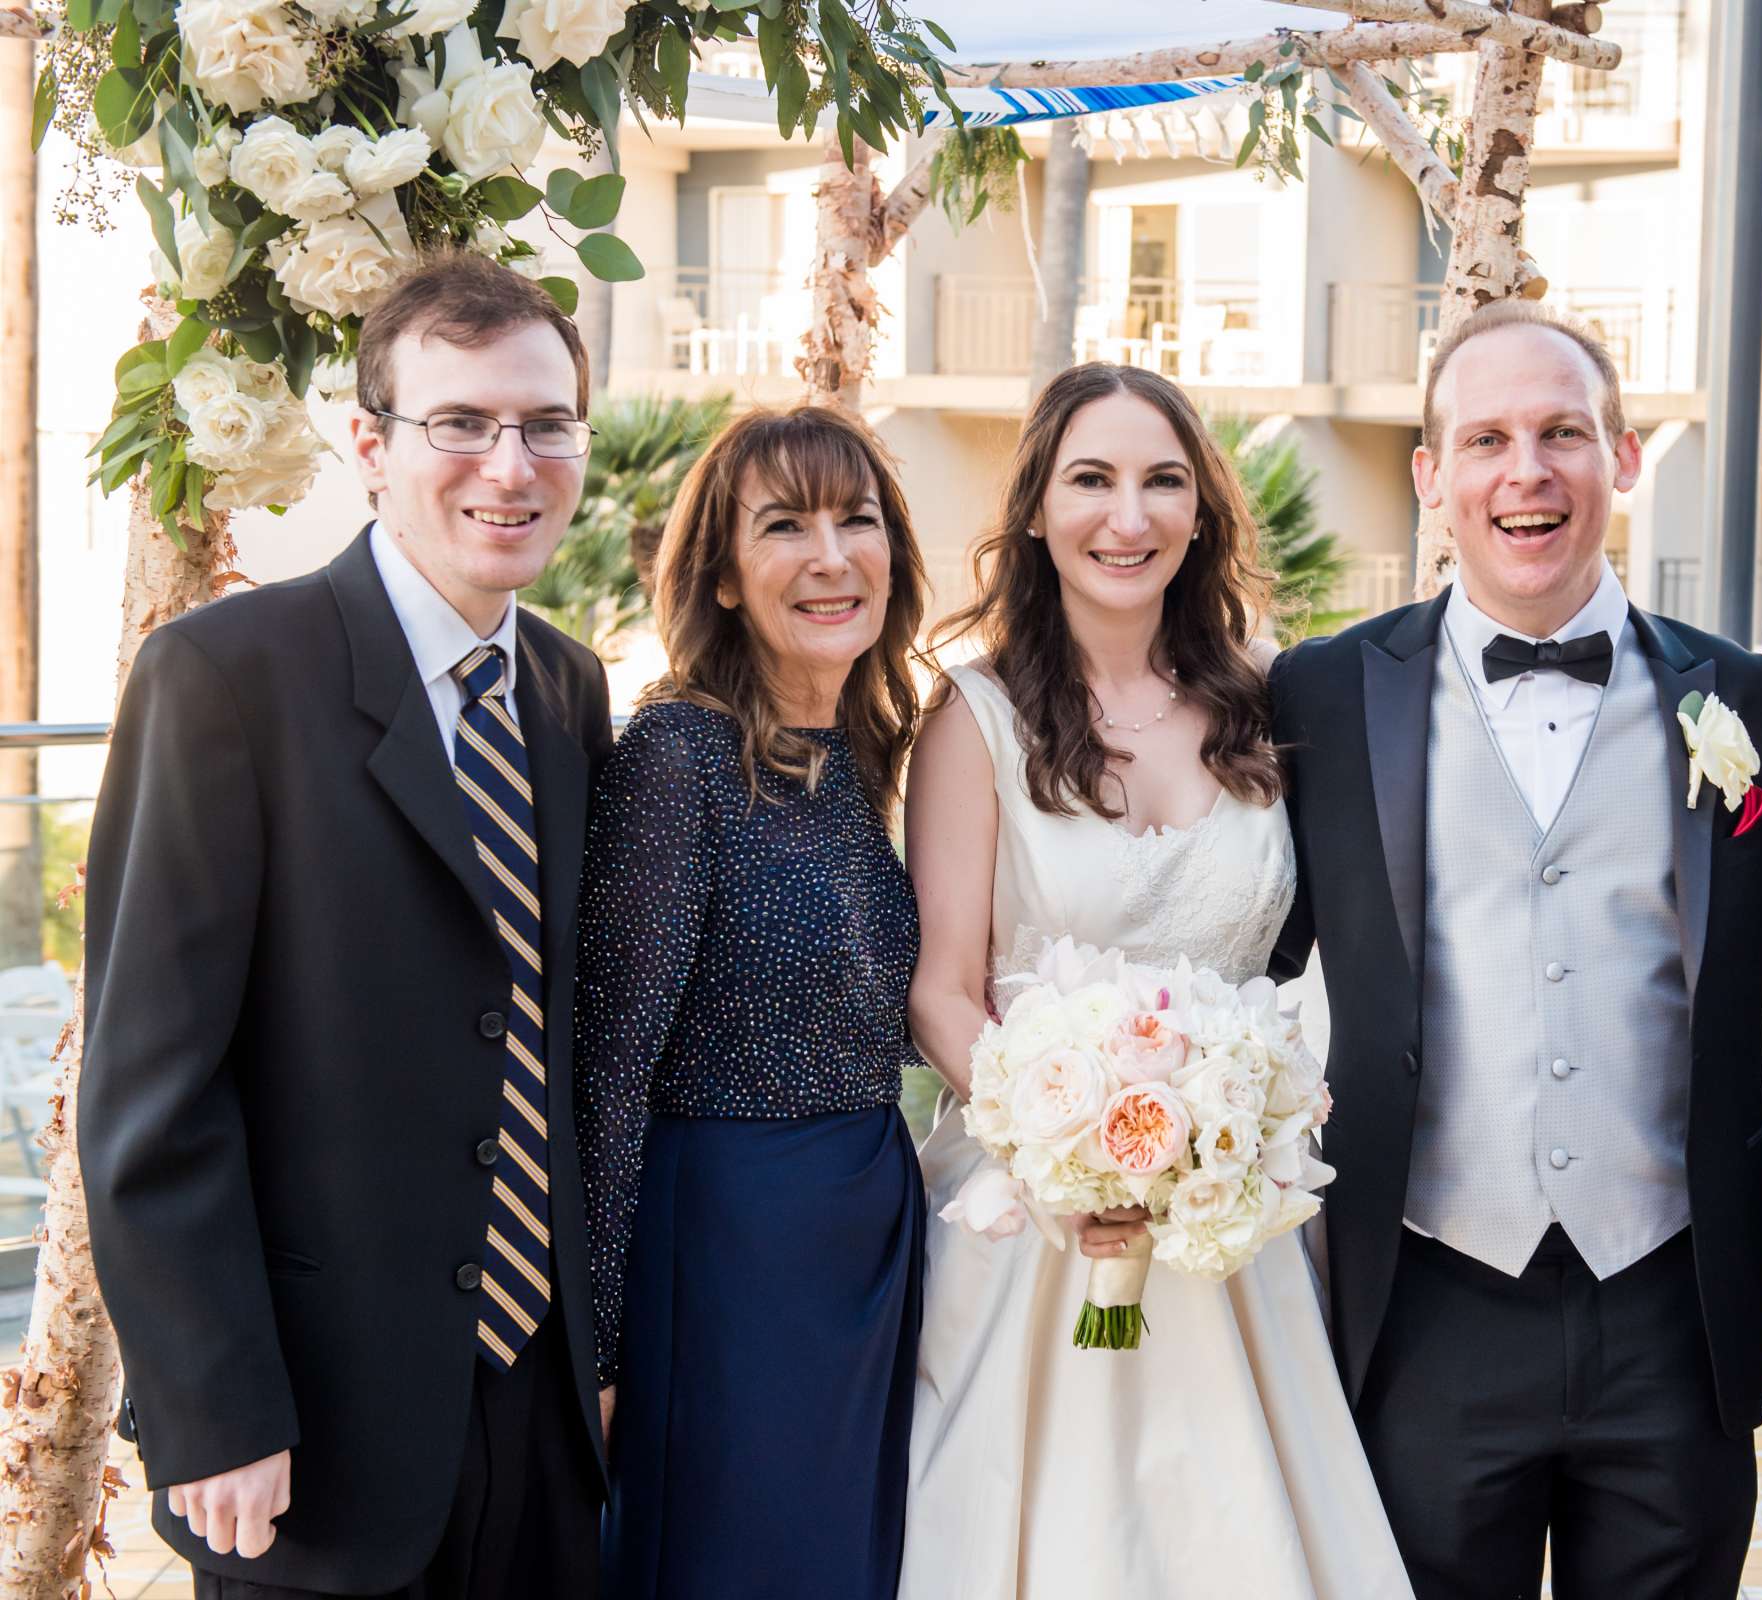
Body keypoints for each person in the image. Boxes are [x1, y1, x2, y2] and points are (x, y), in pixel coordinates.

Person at [79, 252, 614, 1596]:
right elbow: (151, 1089)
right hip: (307, 1433)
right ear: (370, 446)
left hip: (534, 1415)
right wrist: (216, 1408)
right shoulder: (221, 679)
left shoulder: (567, 688)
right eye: (463, 424)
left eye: (546, 424)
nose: (511, 464)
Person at [1270, 298, 1762, 1599]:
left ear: (1620, 455)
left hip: (1675, 1309)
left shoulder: (1743, 697)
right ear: (1432, 477)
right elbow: (1237, 942)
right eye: (1488, 438)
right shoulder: (1324, 696)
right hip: (1429, 1304)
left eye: (1563, 432)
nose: (1528, 471)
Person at [900, 365, 1410, 1599]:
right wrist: (1073, 1158)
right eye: (1091, 479)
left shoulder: (1270, 698)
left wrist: (1228, 1145)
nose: (1126, 517)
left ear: (1200, 514)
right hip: (1036, 1221)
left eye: (1161, 482)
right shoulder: (974, 716)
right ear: (1035, 508)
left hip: (1236, 1225)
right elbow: (940, 991)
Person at [574, 407, 929, 1599]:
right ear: (723, 577)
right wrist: (605, 1354)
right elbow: (609, 1075)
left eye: (858, 520)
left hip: (868, 1237)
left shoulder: (866, 752)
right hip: (729, 1256)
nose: (833, 557)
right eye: (786, 526)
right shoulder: (678, 757)